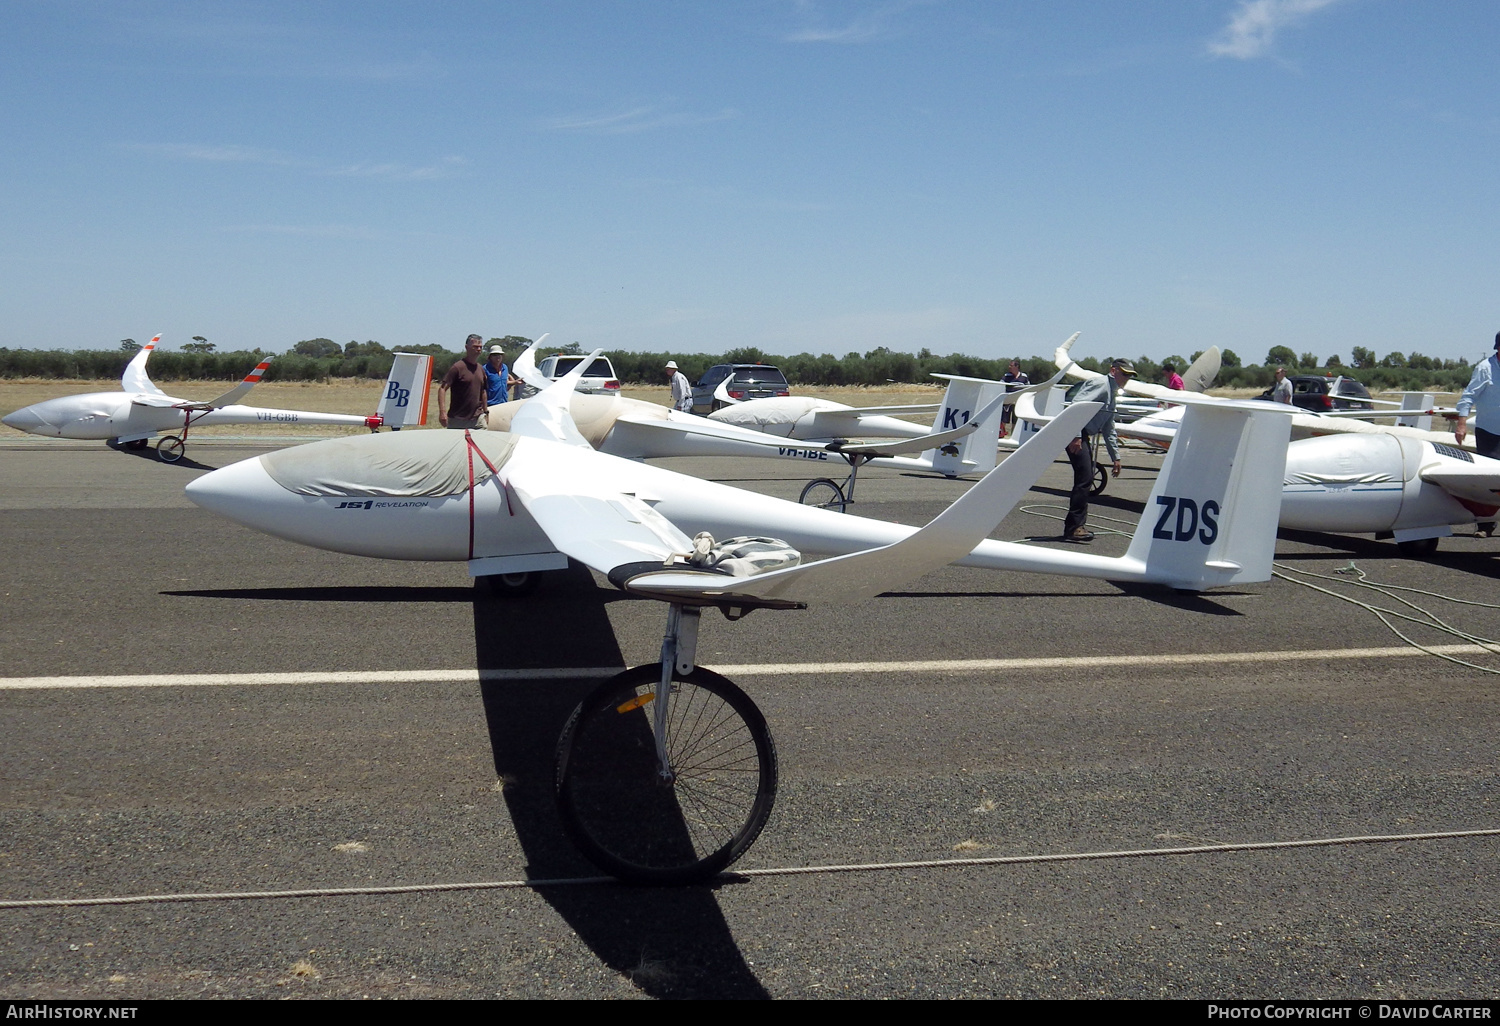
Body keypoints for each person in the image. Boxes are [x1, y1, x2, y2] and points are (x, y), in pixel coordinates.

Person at [1062, 358, 1134, 543]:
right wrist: (1076, 435)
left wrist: (1115, 457)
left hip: (1082, 433)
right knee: (1085, 478)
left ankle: (1075, 527)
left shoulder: (1112, 392)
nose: (1126, 378)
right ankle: (1074, 528)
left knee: (1085, 479)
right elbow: (1077, 404)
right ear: (1113, 370)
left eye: (1129, 376)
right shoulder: (1101, 384)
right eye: (1124, 373)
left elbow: (1109, 426)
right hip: (1077, 433)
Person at [1455, 332, 1500, 460]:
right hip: (1489, 433)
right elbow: (1469, 396)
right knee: (1492, 472)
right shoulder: (1485, 368)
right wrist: (1461, 425)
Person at [439, 334, 488, 429]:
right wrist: (442, 412)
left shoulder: (480, 369)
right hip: (458, 419)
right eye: (475, 347)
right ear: (466, 347)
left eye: (480, 347)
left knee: (482, 443)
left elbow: (483, 392)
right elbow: (442, 389)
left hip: (478, 418)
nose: (478, 349)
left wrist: (486, 412)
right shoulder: (458, 367)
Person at [1000, 358, 1029, 437]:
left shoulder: (1024, 376)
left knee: (1015, 421)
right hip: (1007, 402)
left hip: (1018, 402)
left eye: (1011, 365)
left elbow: (1028, 387)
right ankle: (1001, 435)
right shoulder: (1006, 376)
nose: (1009, 367)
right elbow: (1000, 385)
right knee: (1004, 420)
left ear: (1017, 366)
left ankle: (1013, 436)